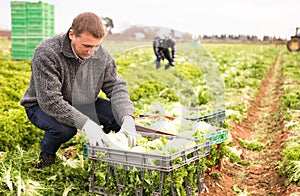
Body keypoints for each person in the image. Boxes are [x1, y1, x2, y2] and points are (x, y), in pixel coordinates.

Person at [20, 12, 137, 168]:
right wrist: (87, 124)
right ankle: (47, 155)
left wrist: (127, 117)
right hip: (40, 106)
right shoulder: (47, 52)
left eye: (96, 46)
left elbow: (116, 87)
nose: (91, 52)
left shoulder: (101, 56)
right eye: (87, 46)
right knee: (64, 130)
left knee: (119, 117)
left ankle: (108, 153)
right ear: (72, 35)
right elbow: (51, 101)